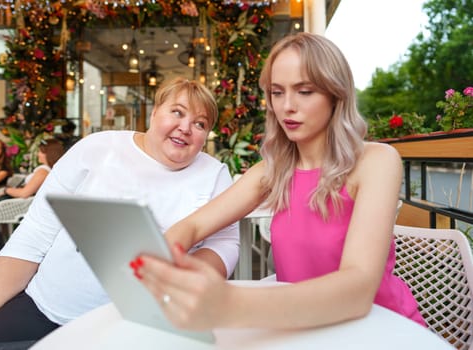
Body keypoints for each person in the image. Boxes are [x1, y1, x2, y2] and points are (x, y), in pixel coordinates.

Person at [134, 32, 426, 330]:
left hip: (385, 330)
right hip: (306, 331)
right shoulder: (272, 171)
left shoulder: (376, 161)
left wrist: (229, 303)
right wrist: (164, 259)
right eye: (277, 92)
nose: (287, 106)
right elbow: (193, 226)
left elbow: (359, 289)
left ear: (335, 94)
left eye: (305, 91)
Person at [0, 77, 239, 349]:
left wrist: (183, 278)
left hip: (137, 329)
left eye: (200, 124)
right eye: (177, 112)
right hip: (44, 308)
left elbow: (224, 245)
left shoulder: (213, 175)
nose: (186, 127)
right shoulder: (97, 148)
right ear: (153, 112)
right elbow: (29, 242)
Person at [0, 139, 66, 278]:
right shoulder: (51, 171)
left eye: (41, 152)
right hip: (9, 204)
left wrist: (7, 190)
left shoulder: (43, 171)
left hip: (9, 204)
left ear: (49, 154)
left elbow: (24, 193)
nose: (38, 154)